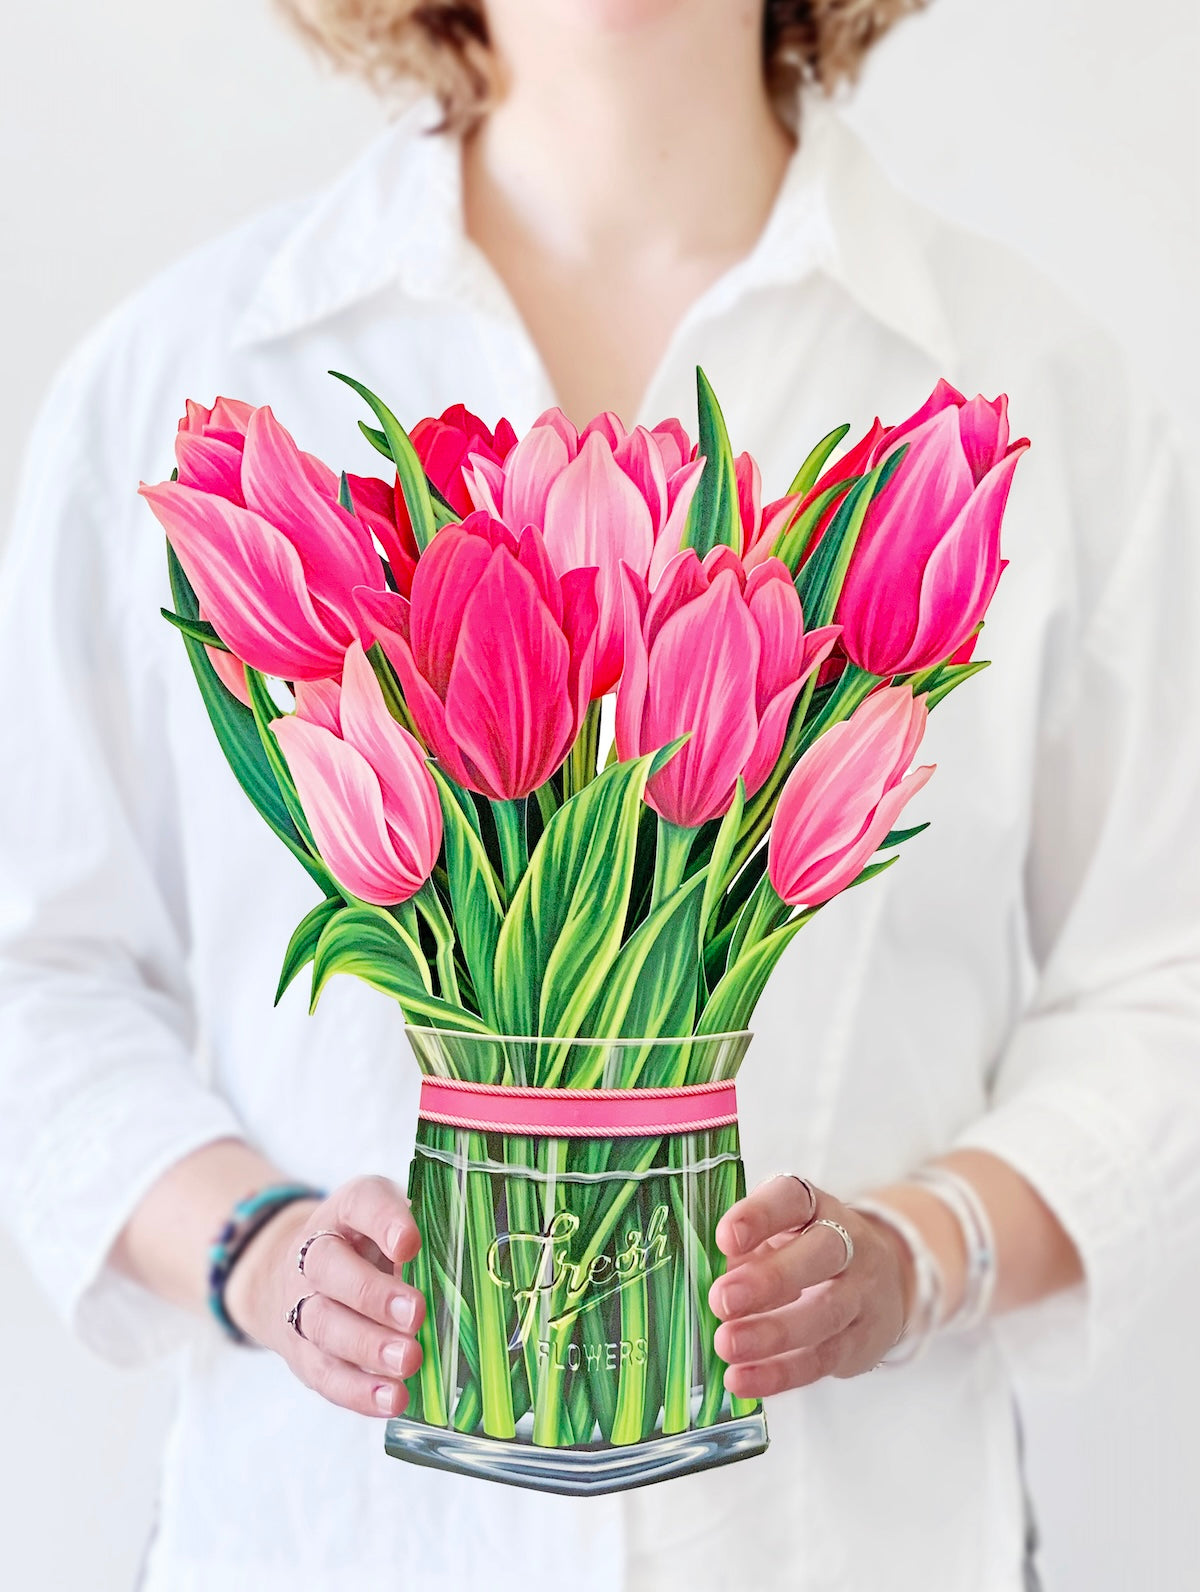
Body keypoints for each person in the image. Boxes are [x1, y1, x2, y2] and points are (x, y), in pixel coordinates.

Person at [1, 2, 1197, 1588]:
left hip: (859, 1547)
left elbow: (1162, 978)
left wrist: (919, 1257)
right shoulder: (182, 370)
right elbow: (40, 971)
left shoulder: (1037, 388)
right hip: (325, 1546)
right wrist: (254, 1250)